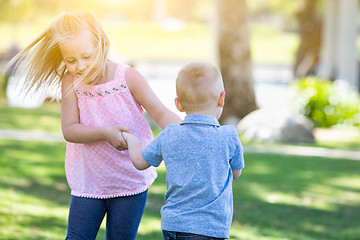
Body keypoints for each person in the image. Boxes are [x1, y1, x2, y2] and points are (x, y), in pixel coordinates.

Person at [7, 11, 182, 240]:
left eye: (86, 57)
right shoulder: (71, 81)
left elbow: (161, 112)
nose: (79, 66)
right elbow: (69, 129)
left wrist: (193, 129)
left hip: (130, 180)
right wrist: (105, 133)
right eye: (70, 61)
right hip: (88, 181)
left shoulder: (127, 77)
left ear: (102, 45)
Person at [123, 61, 245, 240]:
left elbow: (140, 162)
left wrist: (131, 139)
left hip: (173, 225)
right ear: (222, 98)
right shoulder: (229, 136)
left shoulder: (170, 133)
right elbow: (236, 173)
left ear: (178, 104)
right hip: (210, 228)